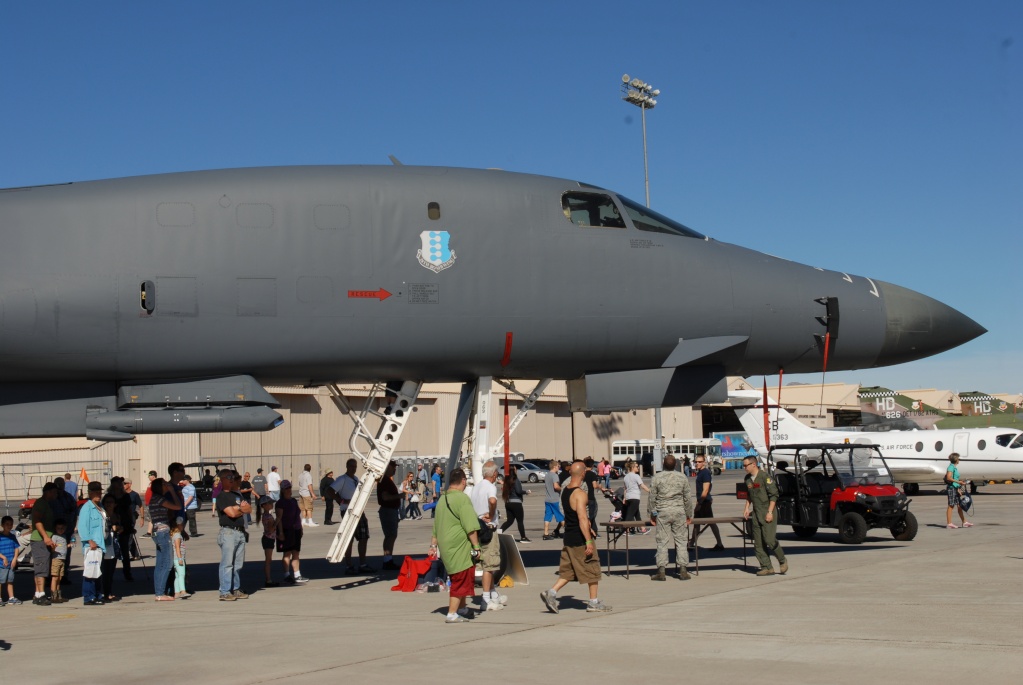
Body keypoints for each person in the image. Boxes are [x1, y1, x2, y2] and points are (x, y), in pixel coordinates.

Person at [540, 460, 612, 614]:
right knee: (592, 569)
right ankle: (593, 602)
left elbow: (569, 515)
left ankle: (551, 593)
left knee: (568, 571)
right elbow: (582, 518)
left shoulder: (566, 491)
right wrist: (588, 540)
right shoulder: (580, 494)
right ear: (583, 474)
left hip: (569, 538)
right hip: (579, 539)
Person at [430, 467, 481, 623]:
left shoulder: (442, 499)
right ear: (463, 481)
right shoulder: (462, 499)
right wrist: (476, 547)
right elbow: (470, 526)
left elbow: (436, 526)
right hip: (460, 547)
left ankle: (462, 608)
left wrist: (433, 546)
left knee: (459, 576)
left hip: (446, 547)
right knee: (461, 578)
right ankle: (452, 613)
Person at [647, 454, 695, 580]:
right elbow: (687, 498)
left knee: (662, 541)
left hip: (662, 512)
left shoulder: (657, 478)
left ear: (663, 464)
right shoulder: (682, 477)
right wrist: (689, 514)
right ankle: (683, 570)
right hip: (679, 511)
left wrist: (653, 514)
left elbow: (652, 498)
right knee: (681, 541)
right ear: (676, 465)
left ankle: (661, 571)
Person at [743, 456, 788, 576]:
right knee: (758, 543)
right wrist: (747, 508)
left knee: (769, 539)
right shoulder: (747, 479)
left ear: (753, 464)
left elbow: (774, 495)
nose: (744, 468)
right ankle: (767, 567)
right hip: (756, 513)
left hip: (767, 511)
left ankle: (782, 560)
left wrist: (769, 512)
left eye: (746, 465)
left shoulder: (764, 477)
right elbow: (749, 495)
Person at [470, 461, 505, 611]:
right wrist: (491, 514)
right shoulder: (490, 487)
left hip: (477, 528)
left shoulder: (475, 488)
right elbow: (492, 500)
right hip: (489, 529)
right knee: (489, 566)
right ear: (494, 474)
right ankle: (485, 599)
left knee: (483, 562)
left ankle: (493, 593)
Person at [330, 459, 372, 574]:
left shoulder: (356, 479)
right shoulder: (342, 479)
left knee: (364, 537)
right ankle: (349, 565)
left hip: (358, 511)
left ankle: (362, 563)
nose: (354, 468)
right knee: (349, 539)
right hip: (348, 512)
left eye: (355, 466)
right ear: (347, 466)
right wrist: (341, 500)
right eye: (352, 466)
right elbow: (330, 491)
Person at [216, 470, 251, 600]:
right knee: (227, 563)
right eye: (228, 477)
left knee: (238, 564)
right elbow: (231, 513)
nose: (231, 479)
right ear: (222, 480)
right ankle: (224, 591)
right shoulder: (222, 496)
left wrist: (239, 509)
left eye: (233, 477)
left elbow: (249, 509)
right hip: (228, 532)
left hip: (240, 532)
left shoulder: (237, 495)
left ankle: (235, 588)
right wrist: (240, 509)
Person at [148, 477, 182, 601]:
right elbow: (178, 506)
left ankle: (159, 592)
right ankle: (160, 593)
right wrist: (172, 491)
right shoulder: (160, 499)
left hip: (157, 532)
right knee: (167, 563)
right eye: (164, 484)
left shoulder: (154, 498)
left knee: (160, 564)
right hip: (162, 532)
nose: (166, 486)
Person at [77, 481, 107, 605]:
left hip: (101, 544)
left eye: (99, 491)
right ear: (89, 493)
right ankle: (88, 596)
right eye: (95, 492)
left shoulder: (100, 506)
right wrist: (89, 540)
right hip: (92, 546)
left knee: (98, 571)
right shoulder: (87, 508)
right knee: (90, 571)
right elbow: (82, 526)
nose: (98, 494)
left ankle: (98, 594)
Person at [30, 482, 59, 605]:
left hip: (42, 539)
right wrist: (46, 537)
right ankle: (41, 594)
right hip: (40, 540)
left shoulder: (46, 503)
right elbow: (37, 521)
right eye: (55, 492)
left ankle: (37, 594)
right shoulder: (41, 503)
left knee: (41, 566)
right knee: (41, 567)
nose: (56, 494)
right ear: (49, 492)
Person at [275, 480, 308, 584]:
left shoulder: (293, 501)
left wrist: (301, 528)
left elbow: (298, 515)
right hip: (286, 530)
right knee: (287, 553)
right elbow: (279, 518)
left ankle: (297, 574)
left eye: (290, 488)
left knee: (296, 553)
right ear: (283, 490)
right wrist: (280, 532)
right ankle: (286, 574)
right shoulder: (280, 503)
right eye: (287, 488)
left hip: (296, 529)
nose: (289, 490)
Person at [692, 454, 724, 550]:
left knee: (710, 522)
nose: (697, 463)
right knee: (699, 523)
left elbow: (705, 490)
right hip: (703, 501)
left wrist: (700, 503)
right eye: (696, 462)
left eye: (699, 462)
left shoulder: (705, 473)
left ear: (704, 463)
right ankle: (692, 542)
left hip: (704, 502)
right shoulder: (700, 473)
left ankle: (719, 544)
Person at [107, 477, 135, 581]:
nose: (120, 484)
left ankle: (127, 573)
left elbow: (129, 510)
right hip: (112, 525)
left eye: (120, 483)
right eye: (117, 482)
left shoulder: (126, 496)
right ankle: (110, 574)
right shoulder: (109, 496)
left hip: (125, 524)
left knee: (125, 551)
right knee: (112, 551)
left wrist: (131, 524)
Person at [377, 462, 402, 570]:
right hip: (388, 510)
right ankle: (387, 560)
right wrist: (399, 496)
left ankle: (388, 559)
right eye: (393, 467)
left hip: (391, 510)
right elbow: (385, 497)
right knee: (390, 535)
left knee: (391, 535)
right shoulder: (385, 481)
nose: (394, 469)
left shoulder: (387, 480)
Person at [500, 467, 530, 543]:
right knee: (520, 521)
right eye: (516, 470)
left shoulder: (506, 481)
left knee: (509, 521)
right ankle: (523, 537)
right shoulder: (516, 480)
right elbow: (518, 491)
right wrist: (526, 492)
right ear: (514, 472)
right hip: (516, 503)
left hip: (508, 503)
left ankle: (498, 532)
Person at [100, 493, 121, 602]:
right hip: (104, 544)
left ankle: (109, 592)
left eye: (111, 502)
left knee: (111, 570)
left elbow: (121, 527)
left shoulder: (116, 515)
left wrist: (118, 528)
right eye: (107, 502)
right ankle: (104, 592)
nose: (109, 504)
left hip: (114, 544)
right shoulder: (103, 515)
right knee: (104, 570)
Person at [945, 453, 974, 529]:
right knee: (951, 505)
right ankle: (949, 523)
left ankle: (964, 522)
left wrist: (958, 488)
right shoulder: (951, 467)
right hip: (951, 488)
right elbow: (948, 478)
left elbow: (955, 479)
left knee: (959, 506)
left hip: (955, 488)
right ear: (956, 459)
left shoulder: (954, 468)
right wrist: (959, 482)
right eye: (958, 459)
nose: (959, 460)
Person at [622, 460, 650, 534]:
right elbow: (642, 486)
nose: (638, 468)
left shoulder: (625, 477)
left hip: (628, 497)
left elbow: (625, 489)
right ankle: (626, 530)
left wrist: (624, 498)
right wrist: (651, 491)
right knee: (630, 514)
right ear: (632, 467)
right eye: (637, 467)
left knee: (637, 514)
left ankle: (642, 529)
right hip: (635, 497)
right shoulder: (636, 476)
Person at [582, 457, 607, 536]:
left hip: (582, 496)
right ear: (592, 465)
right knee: (592, 514)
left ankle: (593, 529)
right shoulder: (592, 474)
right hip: (590, 497)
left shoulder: (582, 474)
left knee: (585, 514)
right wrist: (600, 487)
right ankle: (592, 530)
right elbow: (594, 485)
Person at [0, 515, 21, 605]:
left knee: (10, 580)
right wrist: (3, 557)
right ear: (2, 525)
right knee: (1, 581)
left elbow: (16, 548)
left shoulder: (12, 536)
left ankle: (11, 597)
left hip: (11, 563)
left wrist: (15, 558)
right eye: (7, 524)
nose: (9, 526)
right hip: (2, 564)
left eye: (11, 524)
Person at [259, 497, 278, 587]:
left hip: (268, 538)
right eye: (270, 503)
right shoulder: (268, 516)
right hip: (268, 538)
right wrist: (276, 522)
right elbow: (270, 529)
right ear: (265, 505)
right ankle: (268, 580)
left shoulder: (266, 515)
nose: (271, 504)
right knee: (268, 561)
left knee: (268, 560)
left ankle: (268, 579)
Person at [543, 460, 564, 540]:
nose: (559, 468)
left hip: (547, 499)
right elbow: (556, 486)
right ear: (555, 466)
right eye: (558, 466)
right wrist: (562, 489)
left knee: (547, 516)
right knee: (560, 516)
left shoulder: (547, 475)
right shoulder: (555, 475)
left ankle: (546, 533)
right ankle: (569, 532)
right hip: (554, 499)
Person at [49, 520, 69, 603]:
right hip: (56, 559)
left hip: (62, 559)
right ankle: (53, 596)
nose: (60, 530)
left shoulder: (64, 536)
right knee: (55, 577)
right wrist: (53, 547)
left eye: (62, 528)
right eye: (58, 528)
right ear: (55, 528)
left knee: (60, 578)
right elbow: (52, 548)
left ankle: (58, 595)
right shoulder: (55, 537)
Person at [124, 479, 144, 559]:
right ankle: (135, 554)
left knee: (129, 535)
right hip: (123, 516)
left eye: (125, 483)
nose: (123, 485)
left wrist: (142, 518)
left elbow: (141, 506)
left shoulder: (134, 494)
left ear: (129, 484)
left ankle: (125, 553)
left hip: (131, 516)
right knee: (127, 534)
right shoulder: (122, 494)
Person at [170, 519, 190, 598]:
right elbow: (177, 548)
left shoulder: (174, 535)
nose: (183, 526)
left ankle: (177, 592)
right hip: (178, 558)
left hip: (175, 558)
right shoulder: (177, 536)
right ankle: (183, 591)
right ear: (178, 526)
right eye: (182, 525)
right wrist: (180, 559)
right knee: (182, 574)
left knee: (177, 575)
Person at [142, 470, 157, 537]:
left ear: (153, 476)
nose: (148, 477)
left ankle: (150, 532)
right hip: (149, 503)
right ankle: (151, 531)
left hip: (152, 503)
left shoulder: (156, 483)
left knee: (152, 518)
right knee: (150, 518)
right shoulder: (151, 483)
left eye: (149, 475)